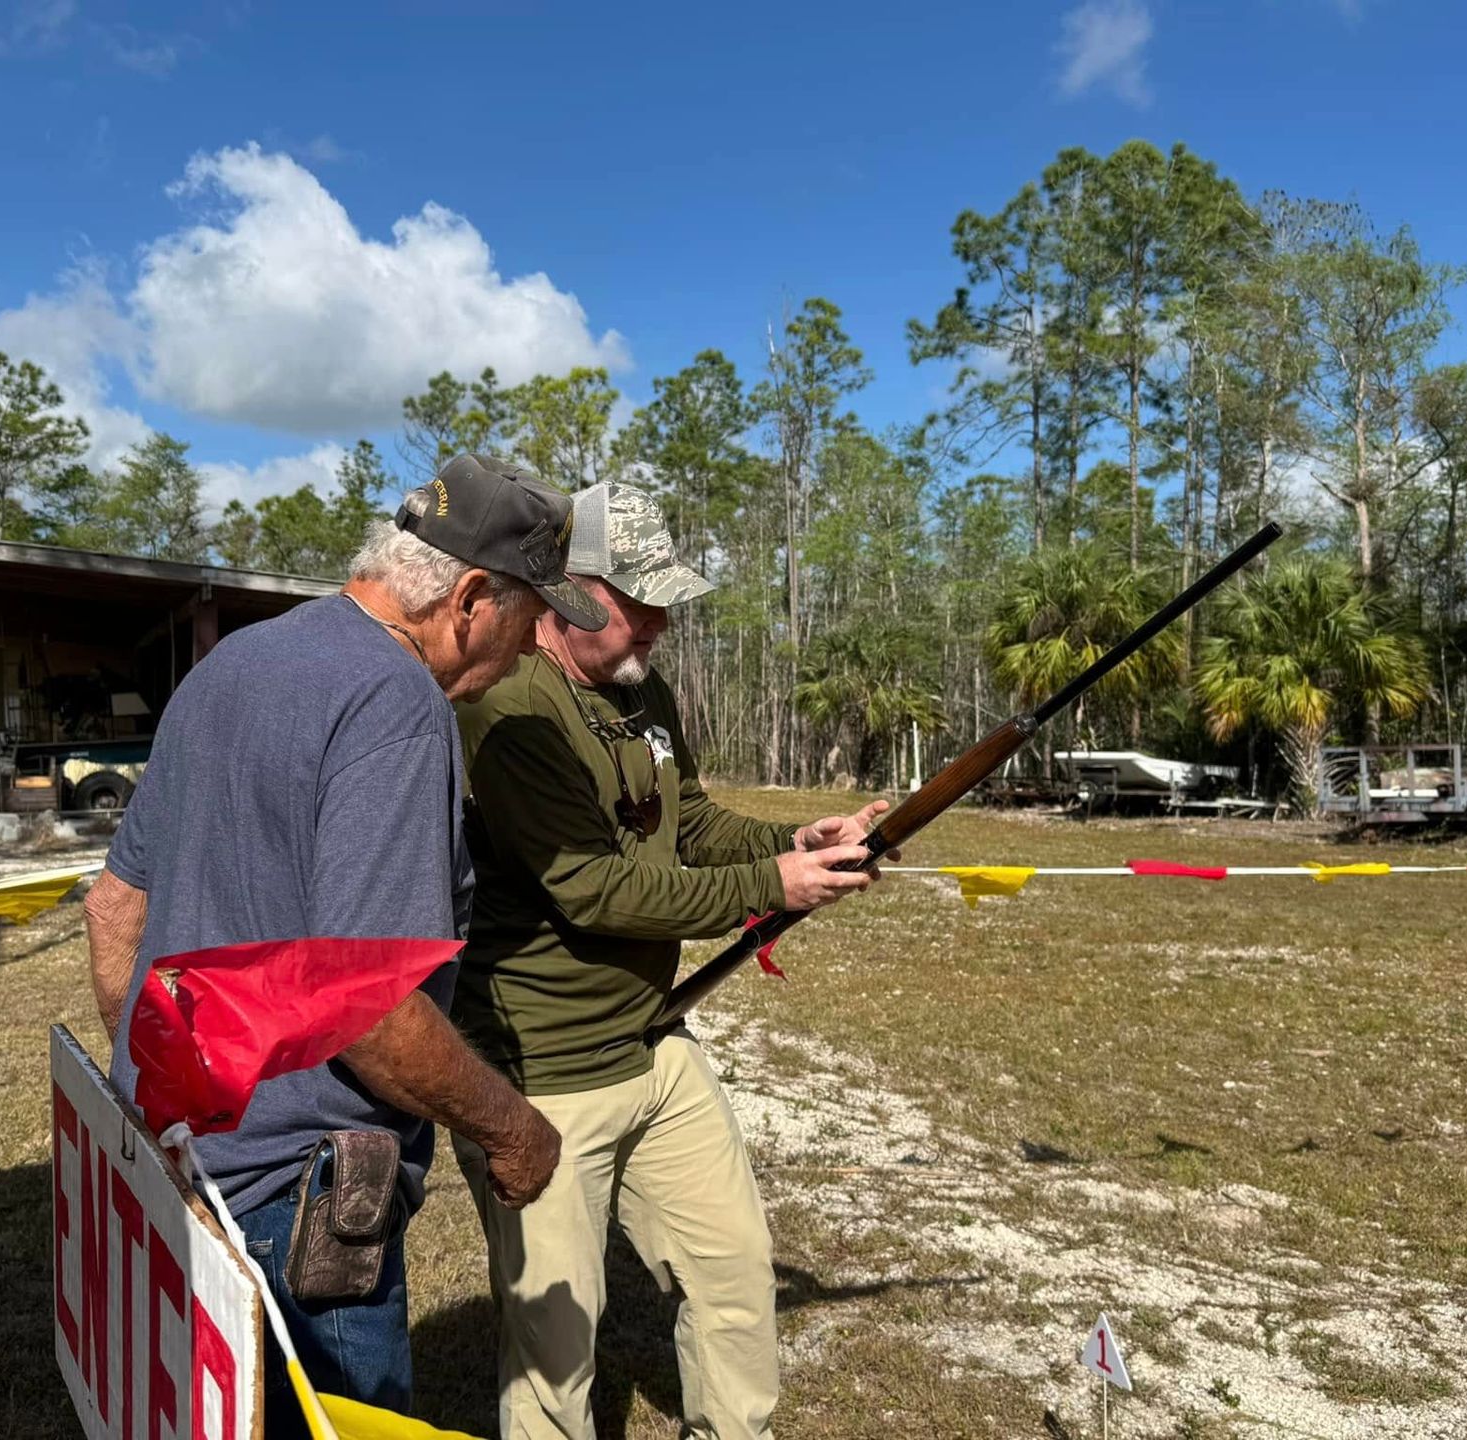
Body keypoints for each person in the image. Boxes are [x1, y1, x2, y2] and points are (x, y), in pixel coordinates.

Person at [84, 454, 609, 1437]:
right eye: (533, 618)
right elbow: (371, 1015)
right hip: (298, 1206)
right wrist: (513, 1129)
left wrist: (158, 1097)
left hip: (184, 1172)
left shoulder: (232, 663)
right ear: (470, 599)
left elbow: (114, 907)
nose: (536, 647)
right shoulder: (396, 704)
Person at [453, 482, 891, 1440]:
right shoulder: (508, 708)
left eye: (664, 599)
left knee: (735, 1274)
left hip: (653, 1040)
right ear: (570, 593)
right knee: (554, 1347)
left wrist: (794, 839)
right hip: (544, 1067)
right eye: (639, 598)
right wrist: (773, 887)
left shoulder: (638, 687)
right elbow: (596, 891)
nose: (660, 621)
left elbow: (687, 823)